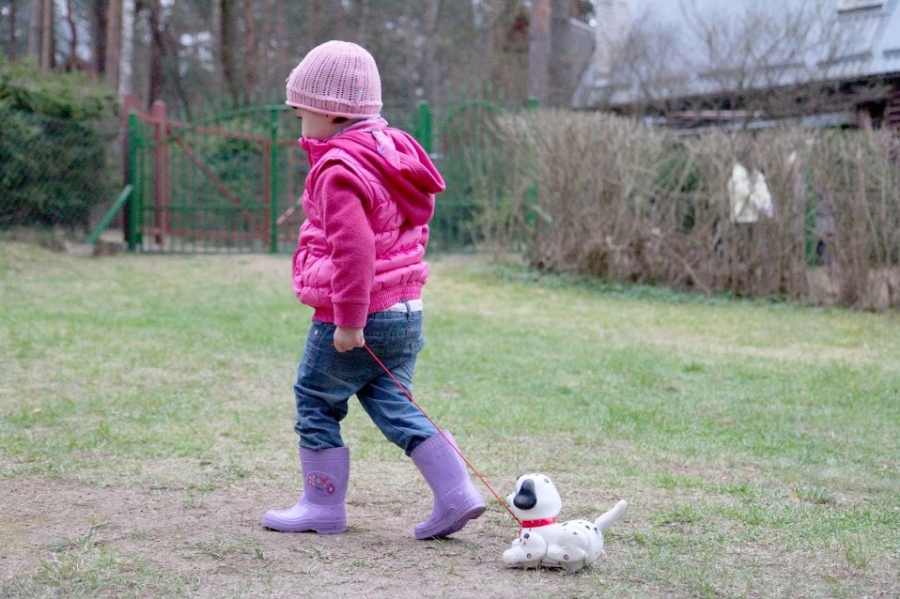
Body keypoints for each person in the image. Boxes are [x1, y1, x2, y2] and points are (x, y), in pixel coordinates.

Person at [262, 40, 485, 539]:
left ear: (331, 114)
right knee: (390, 399)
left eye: (301, 115)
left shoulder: (341, 169)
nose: (299, 127)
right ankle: (456, 494)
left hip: (358, 312)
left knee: (316, 399)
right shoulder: (393, 155)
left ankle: (321, 507)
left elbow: (355, 249)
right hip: (406, 308)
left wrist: (349, 320)